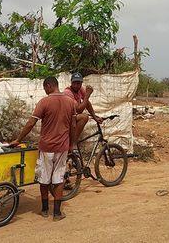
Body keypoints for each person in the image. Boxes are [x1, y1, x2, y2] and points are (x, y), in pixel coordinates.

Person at [9, 76, 78, 221]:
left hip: (46, 147)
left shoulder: (44, 102)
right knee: (58, 179)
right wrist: (71, 144)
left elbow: (31, 123)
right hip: (62, 147)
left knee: (44, 178)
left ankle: (45, 209)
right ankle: (57, 213)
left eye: (44, 88)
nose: (45, 91)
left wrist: (18, 140)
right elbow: (73, 126)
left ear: (48, 86)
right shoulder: (71, 102)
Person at [63, 72, 102, 147]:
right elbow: (79, 110)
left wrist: (95, 117)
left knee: (83, 116)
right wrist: (87, 95)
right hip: (66, 118)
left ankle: (73, 142)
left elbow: (87, 103)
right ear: (71, 82)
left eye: (79, 83)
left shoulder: (80, 89)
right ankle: (73, 143)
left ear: (81, 83)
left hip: (73, 116)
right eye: (74, 83)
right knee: (84, 117)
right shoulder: (68, 92)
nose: (76, 85)